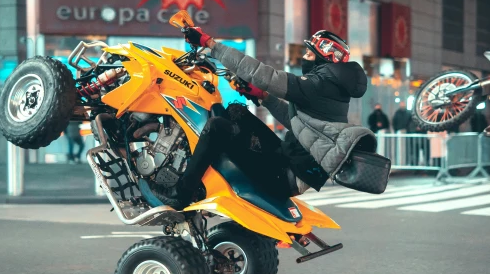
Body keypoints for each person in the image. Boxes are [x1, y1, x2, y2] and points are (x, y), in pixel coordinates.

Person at [152, 29, 373, 209]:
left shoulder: (318, 85)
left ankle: (181, 194)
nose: (303, 58)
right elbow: (294, 120)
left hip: (286, 175)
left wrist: (210, 44)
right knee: (236, 114)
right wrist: (262, 96)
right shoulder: (332, 89)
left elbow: (263, 75)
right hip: (291, 162)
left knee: (218, 126)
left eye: (308, 54)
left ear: (324, 57)